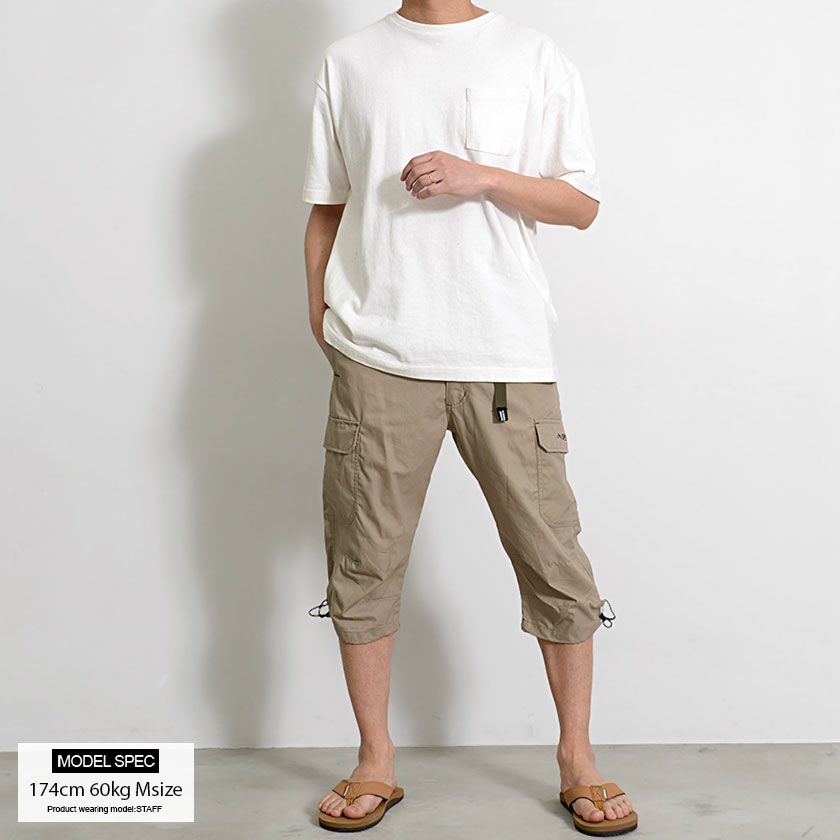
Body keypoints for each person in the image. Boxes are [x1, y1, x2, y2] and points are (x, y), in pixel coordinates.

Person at [302, 1, 637, 835]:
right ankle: (375, 760)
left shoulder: (531, 56)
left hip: (505, 352)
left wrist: (480, 175)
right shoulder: (351, 60)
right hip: (379, 353)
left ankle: (578, 758)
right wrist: (323, 316)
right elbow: (327, 204)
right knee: (364, 562)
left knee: (553, 557)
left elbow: (580, 203)